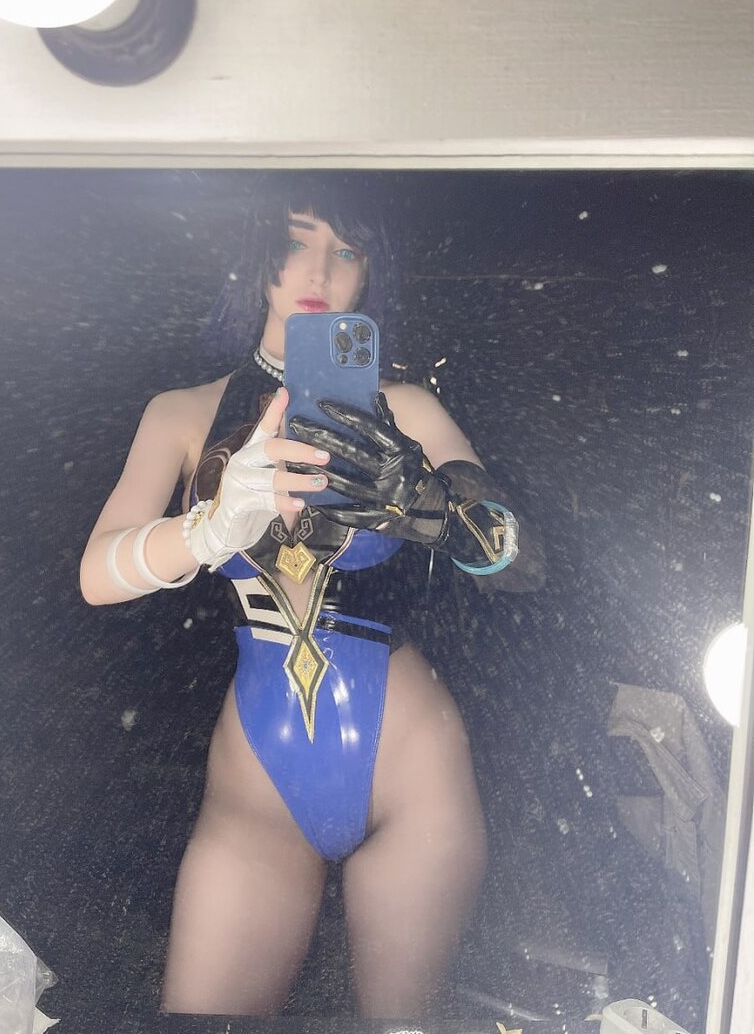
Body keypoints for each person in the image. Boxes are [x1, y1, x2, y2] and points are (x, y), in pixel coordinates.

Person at [79, 176, 543, 1018]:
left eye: (347, 250)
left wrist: (435, 507)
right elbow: (97, 575)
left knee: (402, 1025)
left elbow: (517, 559)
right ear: (255, 255)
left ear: (372, 273)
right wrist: (208, 529)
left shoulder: (406, 409)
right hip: (256, 788)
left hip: (411, 766)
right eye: (296, 240)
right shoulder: (182, 414)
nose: (319, 270)